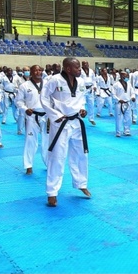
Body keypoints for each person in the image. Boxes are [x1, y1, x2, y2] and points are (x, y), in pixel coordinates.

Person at [41, 57, 91, 207]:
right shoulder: (54, 80)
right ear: (68, 68)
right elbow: (44, 98)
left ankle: (81, 183)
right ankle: (52, 192)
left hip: (76, 122)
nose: (80, 70)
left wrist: (82, 108)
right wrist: (54, 115)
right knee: (57, 157)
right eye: (77, 68)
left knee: (81, 154)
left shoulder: (81, 81)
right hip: (61, 122)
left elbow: (82, 98)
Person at [15, 65, 48, 174]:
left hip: (47, 116)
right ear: (31, 72)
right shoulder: (24, 86)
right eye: (35, 70)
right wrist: (25, 109)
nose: (38, 72)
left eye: (40, 70)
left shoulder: (48, 84)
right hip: (32, 116)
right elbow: (18, 101)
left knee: (47, 142)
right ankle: (28, 165)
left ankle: (49, 164)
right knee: (30, 141)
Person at [111, 71, 135, 137]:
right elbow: (113, 94)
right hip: (119, 104)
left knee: (128, 118)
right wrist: (118, 99)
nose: (126, 77)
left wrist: (133, 97)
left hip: (127, 103)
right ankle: (118, 132)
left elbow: (132, 92)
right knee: (119, 118)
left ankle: (127, 130)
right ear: (121, 76)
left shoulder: (129, 84)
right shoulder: (116, 85)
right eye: (125, 76)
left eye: (127, 76)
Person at [80, 61, 97, 126]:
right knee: (82, 104)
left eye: (87, 63)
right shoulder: (80, 71)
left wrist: (94, 86)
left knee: (91, 104)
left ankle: (91, 119)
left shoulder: (91, 71)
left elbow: (94, 80)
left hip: (90, 89)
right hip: (82, 88)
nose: (86, 65)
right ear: (82, 65)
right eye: (84, 64)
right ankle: (81, 118)